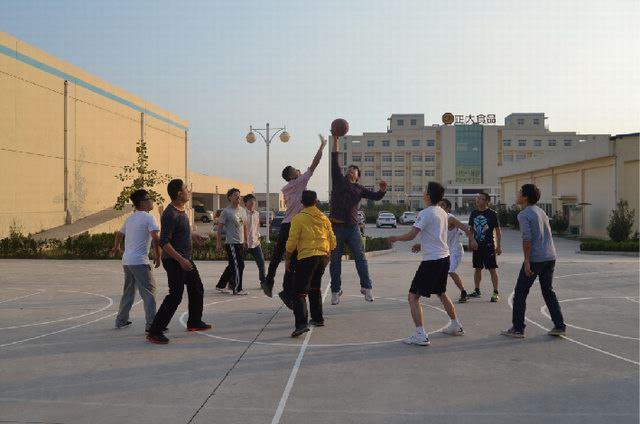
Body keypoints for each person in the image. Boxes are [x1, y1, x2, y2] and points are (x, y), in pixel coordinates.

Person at [389, 182, 465, 346]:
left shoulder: (425, 213)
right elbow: (437, 237)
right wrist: (422, 245)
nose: (423, 193)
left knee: (413, 297)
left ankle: (421, 335)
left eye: (424, 190)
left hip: (432, 261)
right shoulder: (443, 213)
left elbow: (411, 235)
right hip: (444, 258)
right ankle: (456, 325)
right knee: (441, 293)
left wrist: (396, 238)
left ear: (428, 196)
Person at [262, 134, 326, 301]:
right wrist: (321, 146)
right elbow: (315, 163)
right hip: (295, 225)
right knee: (293, 259)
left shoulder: (286, 188)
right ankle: (286, 290)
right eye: (296, 170)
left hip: (285, 223)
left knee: (277, 255)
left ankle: (268, 281)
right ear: (292, 176)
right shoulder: (299, 182)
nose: (299, 170)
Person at [147, 179, 211, 345]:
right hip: (175, 261)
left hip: (185, 259)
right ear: (179, 193)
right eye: (185, 189)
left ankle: (194, 321)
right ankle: (155, 331)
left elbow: (179, 232)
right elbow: (164, 242)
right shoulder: (170, 214)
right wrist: (181, 260)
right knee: (175, 296)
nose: (188, 191)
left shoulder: (181, 210)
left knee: (196, 288)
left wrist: (193, 235)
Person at [502, 184, 566, 338]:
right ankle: (559, 325)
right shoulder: (541, 211)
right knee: (548, 291)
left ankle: (518, 329)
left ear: (525, 197)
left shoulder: (524, 214)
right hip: (550, 256)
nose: (517, 195)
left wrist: (527, 261)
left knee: (520, 293)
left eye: (519, 193)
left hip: (536, 258)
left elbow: (527, 239)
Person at [329, 134, 387, 305]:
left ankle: (367, 288)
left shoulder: (360, 189)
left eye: (353, 170)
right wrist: (336, 141)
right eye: (349, 169)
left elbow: (376, 196)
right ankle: (335, 290)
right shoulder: (338, 180)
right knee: (335, 261)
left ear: (357, 176)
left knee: (360, 258)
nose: (350, 170)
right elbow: (334, 159)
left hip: (353, 228)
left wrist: (383, 190)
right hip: (336, 228)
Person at [285, 190, 336, 337]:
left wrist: (288, 258)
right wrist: (329, 252)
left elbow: (292, 241)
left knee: (299, 292)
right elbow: (332, 239)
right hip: (323, 257)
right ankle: (318, 318)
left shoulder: (298, 218)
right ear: (316, 202)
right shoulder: (324, 218)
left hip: (307, 257)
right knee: (315, 287)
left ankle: (301, 324)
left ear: (302, 202)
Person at [110, 189, 161, 332]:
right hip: (140, 261)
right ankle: (151, 325)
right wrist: (158, 255)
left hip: (127, 261)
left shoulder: (130, 218)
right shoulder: (149, 218)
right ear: (143, 203)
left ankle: (121, 321)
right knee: (149, 292)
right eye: (149, 199)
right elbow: (155, 238)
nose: (152, 201)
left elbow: (119, 235)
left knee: (128, 292)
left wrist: (116, 247)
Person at [412, 199, 478, 303]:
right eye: (439, 204)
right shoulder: (438, 218)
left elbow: (465, 228)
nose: (440, 206)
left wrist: (472, 240)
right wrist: (421, 245)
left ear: (448, 208)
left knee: (450, 271)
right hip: (444, 251)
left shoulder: (450, 218)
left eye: (442, 205)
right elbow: (435, 238)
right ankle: (438, 291)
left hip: (455, 250)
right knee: (439, 272)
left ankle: (463, 292)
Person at [468, 192, 502, 302]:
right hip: (477, 246)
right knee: (477, 268)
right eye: (477, 198)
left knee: (492, 269)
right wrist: (471, 241)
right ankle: (477, 290)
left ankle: (495, 293)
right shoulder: (473, 213)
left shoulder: (492, 214)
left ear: (487, 201)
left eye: (481, 198)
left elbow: (498, 230)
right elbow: (471, 229)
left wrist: (498, 245)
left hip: (489, 246)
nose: (478, 200)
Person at [215, 188, 249, 295]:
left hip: (240, 242)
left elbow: (244, 226)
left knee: (232, 265)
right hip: (231, 243)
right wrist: (218, 243)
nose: (238, 197)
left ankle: (220, 285)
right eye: (235, 195)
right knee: (239, 265)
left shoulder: (242, 210)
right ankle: (237, 289)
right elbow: (219, 228)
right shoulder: (226, 211)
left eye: (239, 195)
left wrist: (246, 240)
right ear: (230, 197)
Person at [242, 193, 266, 287]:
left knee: (261, 263)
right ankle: (232, 282)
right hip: (244, 244)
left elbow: (257, 226)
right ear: (245, 203)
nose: (252, 203)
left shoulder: (257, 214)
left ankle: (263, 282)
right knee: (239, 264)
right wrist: (243, 240)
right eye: (250, 201)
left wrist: (259, 236)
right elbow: (239, 228)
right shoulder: (242, 213)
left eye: (254, 201)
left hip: (256, 243)